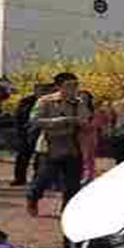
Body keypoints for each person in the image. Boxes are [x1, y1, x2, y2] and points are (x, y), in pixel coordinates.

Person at [26, 72, 90, 217]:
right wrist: (61, 121)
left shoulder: (79, 102)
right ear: (59, 86)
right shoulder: (45, 101)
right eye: (69, 86)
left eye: (75, 85)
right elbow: (35, 120)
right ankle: (33, 197)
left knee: (73, 182)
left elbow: (85, 119)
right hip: (50, 144)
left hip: (72, 144)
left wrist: (82, 122)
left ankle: (67, 210)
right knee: (44, 178)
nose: (73, 89)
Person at [10, 83, 52, 186]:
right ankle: (19, 178)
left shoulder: (50, 102)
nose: (43, 93)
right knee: (23, 156)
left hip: (41, 132)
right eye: (41, 91)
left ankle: (37, 179)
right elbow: (17, 117)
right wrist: (20, 131)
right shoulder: (26, 102)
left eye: (45, 91)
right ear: (35, 91)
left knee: (40, 158)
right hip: (25, 132)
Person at [78, 90, 103, 184]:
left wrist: (86, 125)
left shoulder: (94, 110)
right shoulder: (74, 108)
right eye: (81, 97)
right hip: (77, 136)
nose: (83, 100)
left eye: (85, 98)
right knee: (78, 157)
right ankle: (79, 175)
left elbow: (97, 123)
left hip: (89, 136)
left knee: (88, 157)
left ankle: (88, 176)